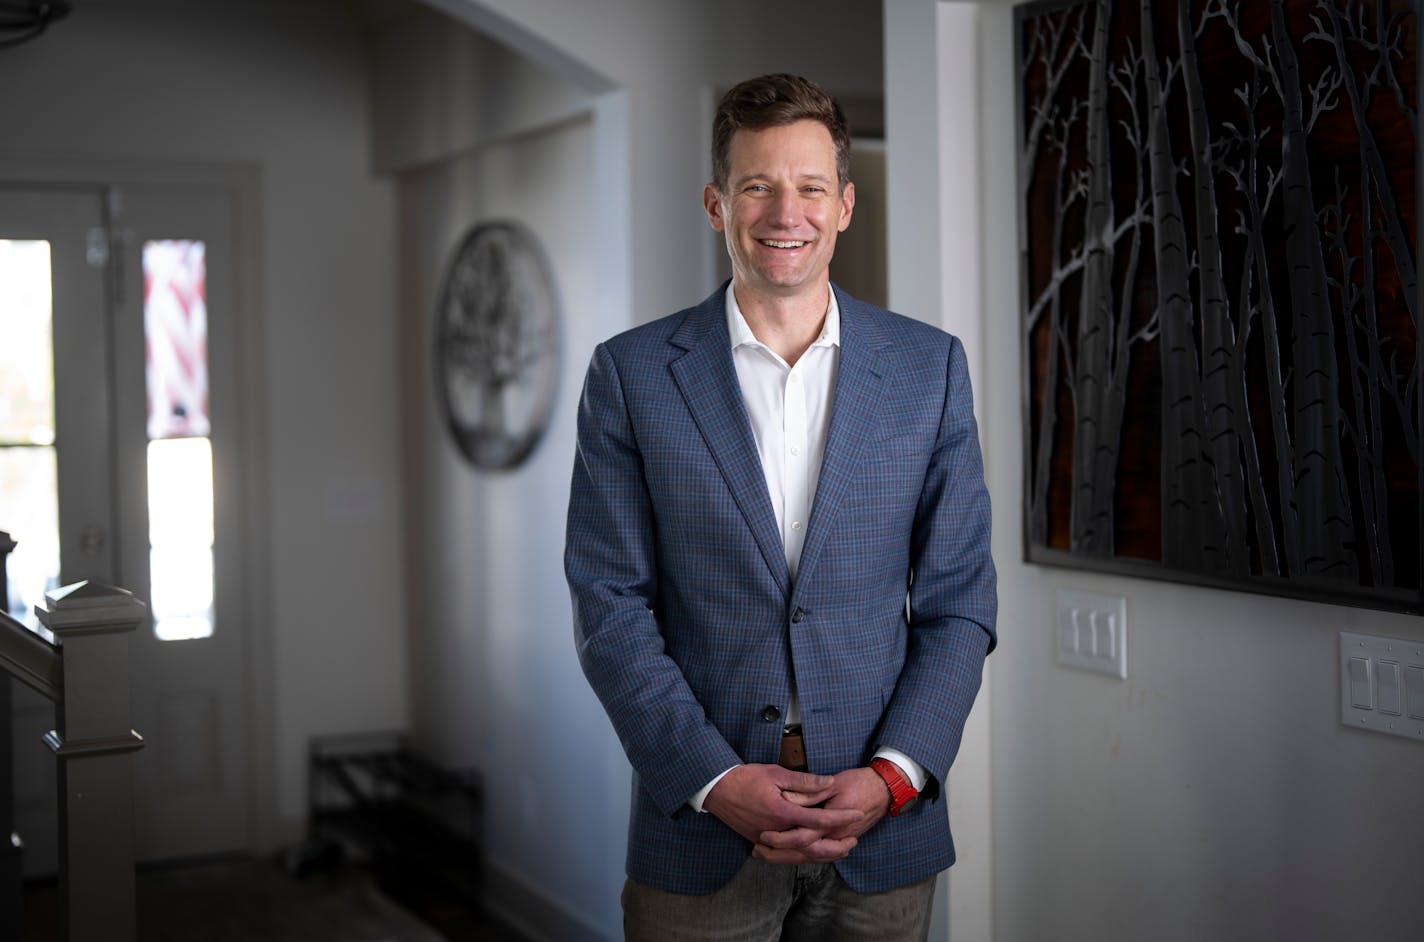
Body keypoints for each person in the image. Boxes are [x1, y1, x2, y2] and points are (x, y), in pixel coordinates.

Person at [565, 72, 997, 941]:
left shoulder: (930, 369)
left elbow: (959, 603)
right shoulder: (632, 376)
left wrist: (892, 777)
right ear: (716, 203)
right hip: (699, 832)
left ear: (843, 204)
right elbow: (610, 609)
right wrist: (715, 780)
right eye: (756, 185)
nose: (782, 212)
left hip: (881, 835)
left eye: (808, 187)